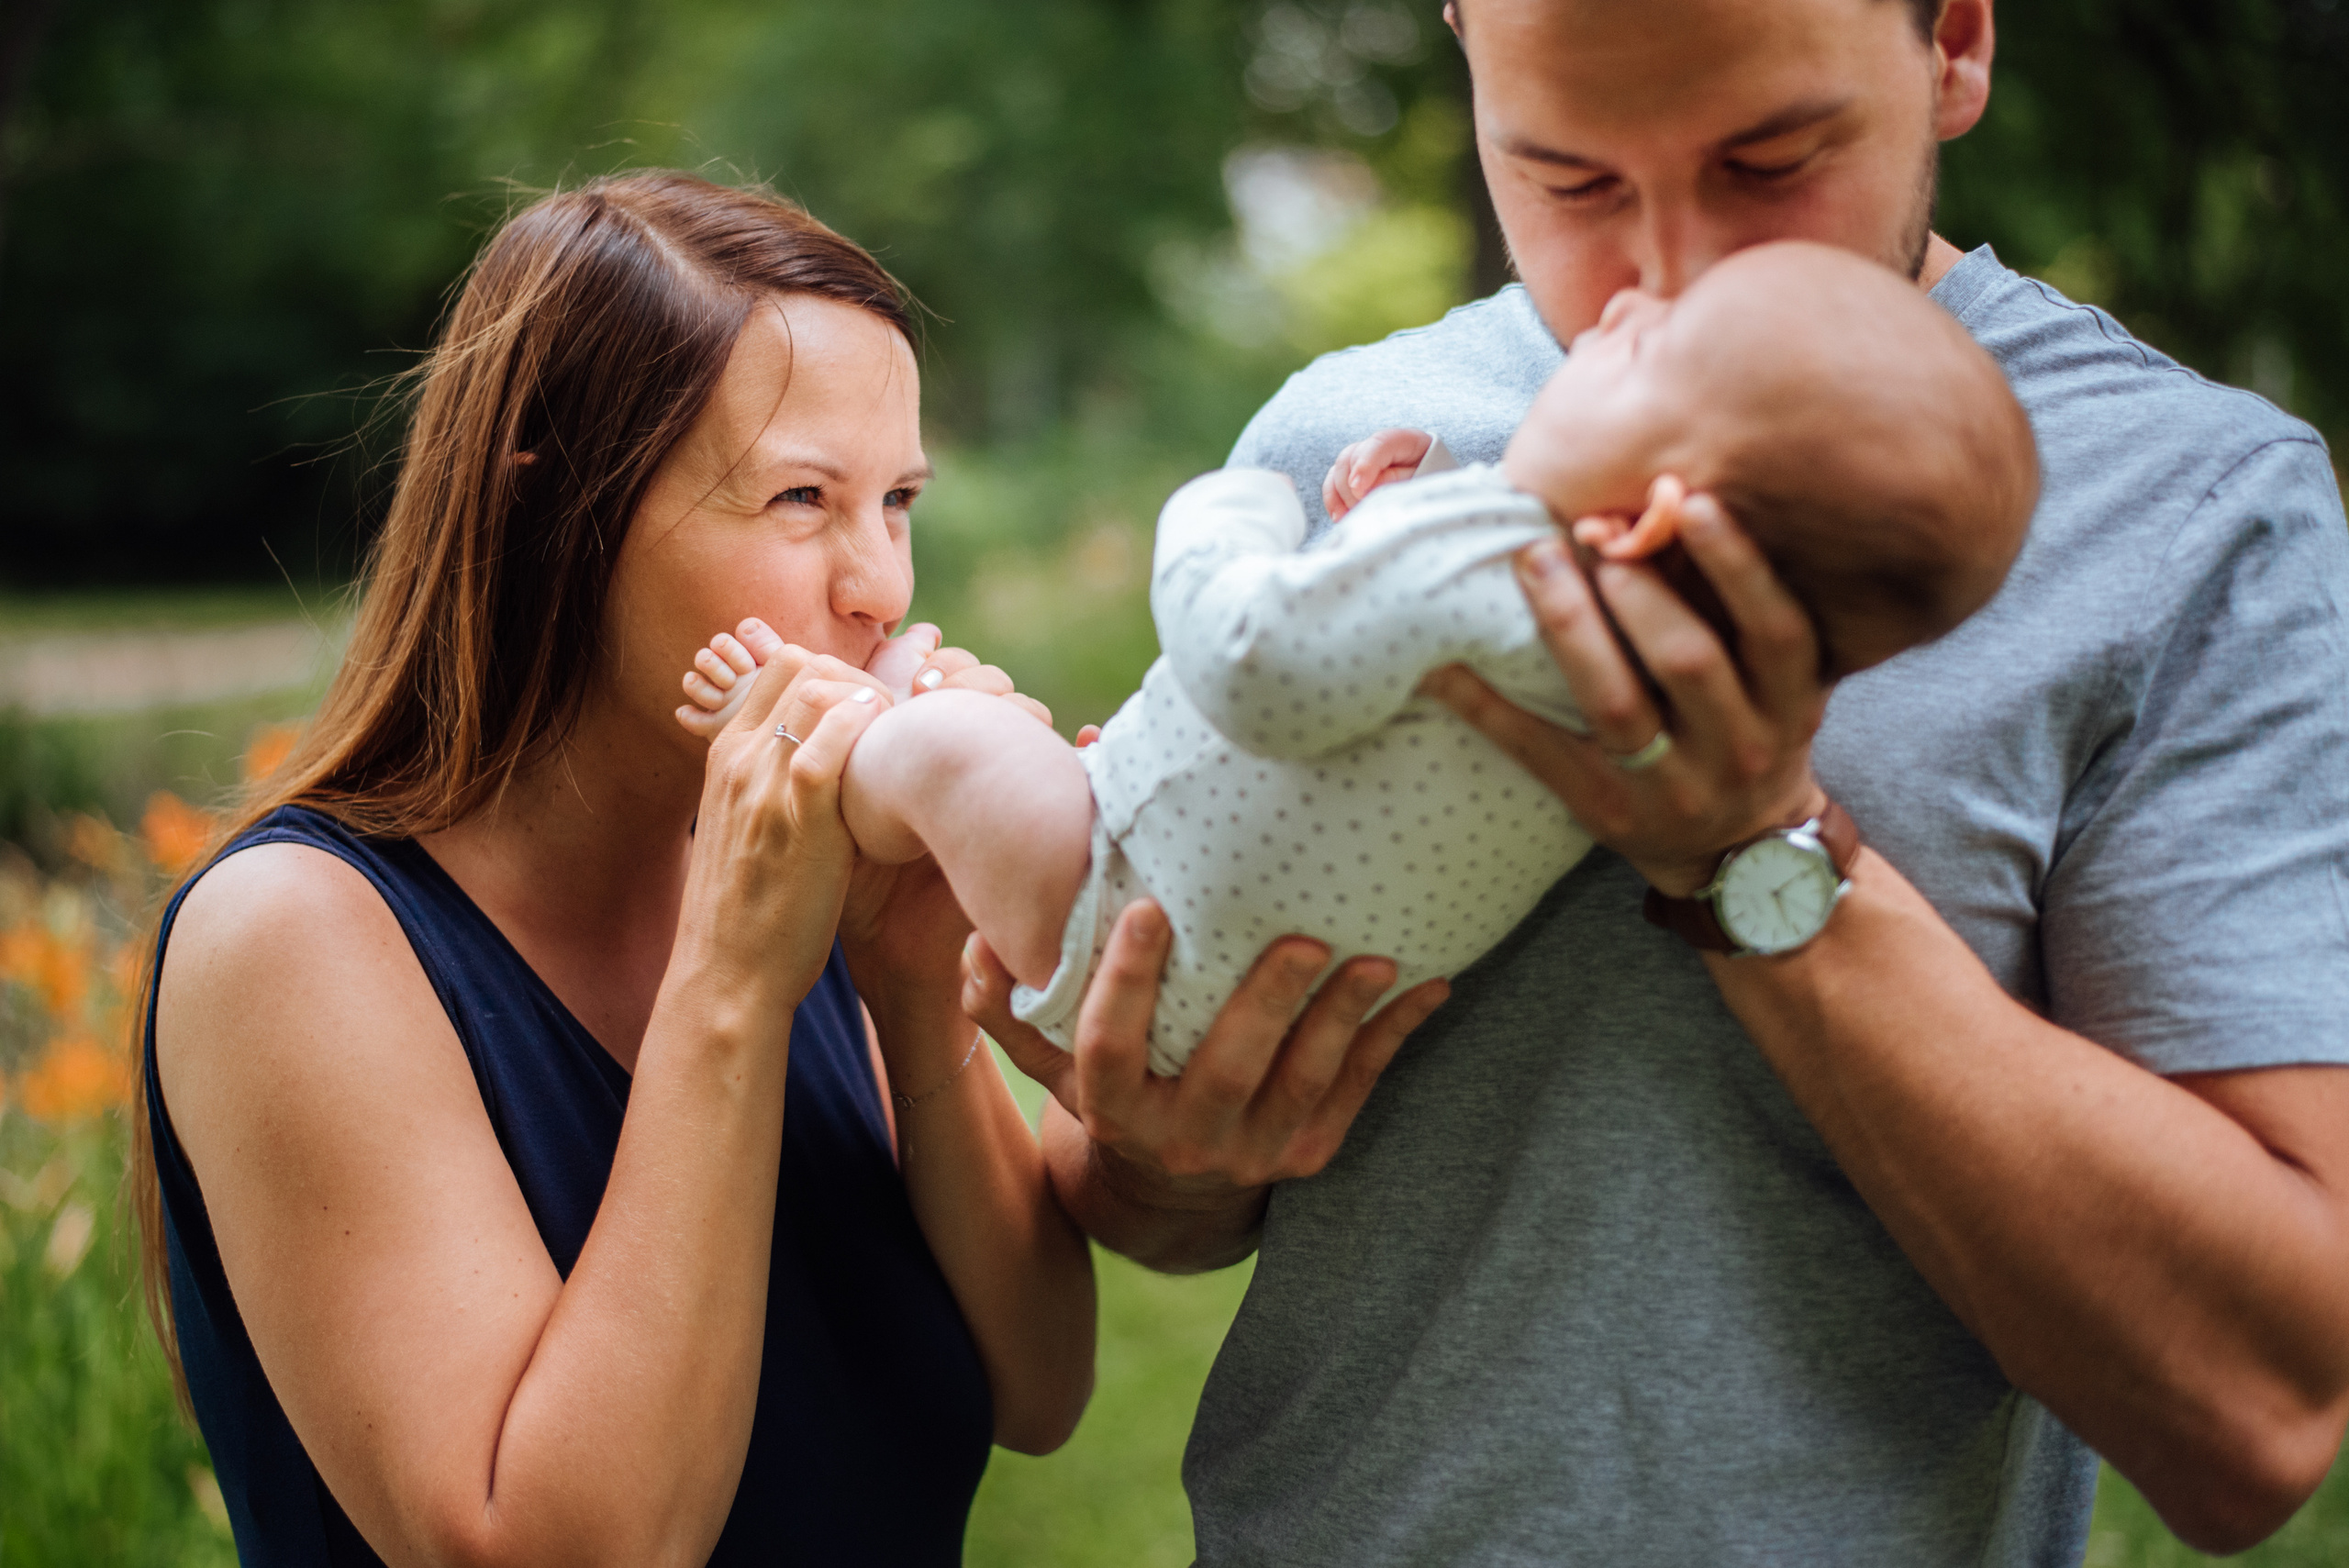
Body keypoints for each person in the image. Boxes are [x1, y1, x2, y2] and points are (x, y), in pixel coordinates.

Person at [962, 1, 2349, 1563]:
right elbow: (1159, 1213)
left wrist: (1764, 856)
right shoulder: (1359, 443)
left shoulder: (2190, 510)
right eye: (1566, 181)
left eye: (1769, 162)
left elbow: (2256, 1416)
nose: (1670, 279)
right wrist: (1167, 1150)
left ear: (1954, 43)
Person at [133, 172, 1097, 1568]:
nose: (879, 583)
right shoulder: (293, 935)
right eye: (799, 497)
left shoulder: (795, 874)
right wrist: (732, 982)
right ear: (554, 508)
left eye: (897, 499)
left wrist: (906, 976)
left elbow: (1042, 1386)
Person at [680, 240, 2037, 1078]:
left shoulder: (1505, 554)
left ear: (1660, 508)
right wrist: (1421, 493)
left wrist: (1231, 510)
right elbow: (1428, 690)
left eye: (1650, 350)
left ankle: (824, 733)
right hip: (1225, 987)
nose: (1617, 313)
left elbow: (1253, 654)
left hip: (1126, 899)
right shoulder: (1655, 658)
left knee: (949, 747)